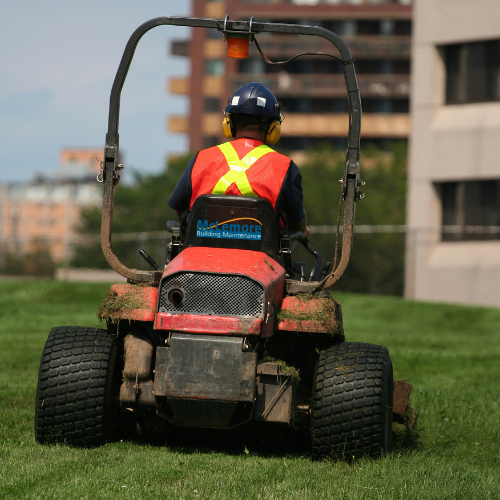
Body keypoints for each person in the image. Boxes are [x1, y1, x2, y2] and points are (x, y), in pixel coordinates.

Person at [168, 82, 309, 236]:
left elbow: (179, 207)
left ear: (229, 123)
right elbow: (296, 221)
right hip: (263, 256)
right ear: (272, 127)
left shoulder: (201, 158)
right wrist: (302, 229)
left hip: (201, 252)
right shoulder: (285, 166)